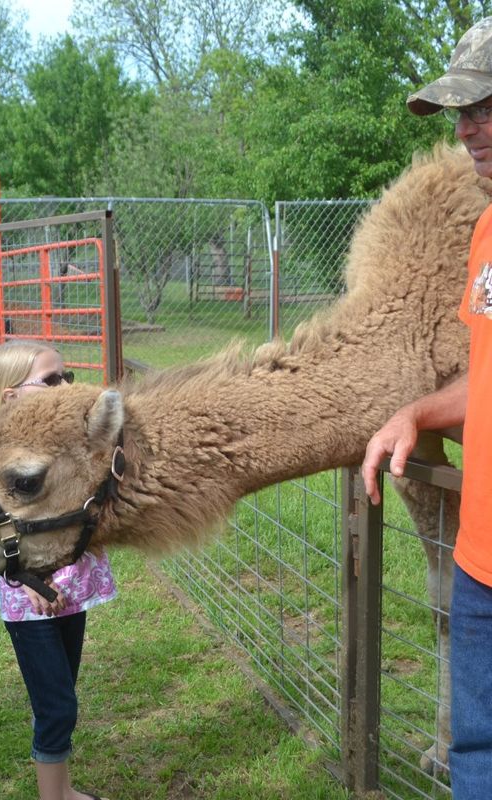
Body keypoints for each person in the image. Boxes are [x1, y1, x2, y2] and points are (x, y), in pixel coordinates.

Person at [361, 16, 492, 799]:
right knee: (478, 761)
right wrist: (419, 413)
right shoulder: (487, 233)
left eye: (486, 104)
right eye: (461, 110)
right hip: (479, 561)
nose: (469, 126)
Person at [0, 340, 116, 800]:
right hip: (31, 602)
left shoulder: (64, 445)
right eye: (50, 380)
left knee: (64, 693)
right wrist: (26, 578)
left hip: (70, 590)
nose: (64, 386)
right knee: (56, 705)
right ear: (11, 397)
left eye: (66, 377)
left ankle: (63, 791)